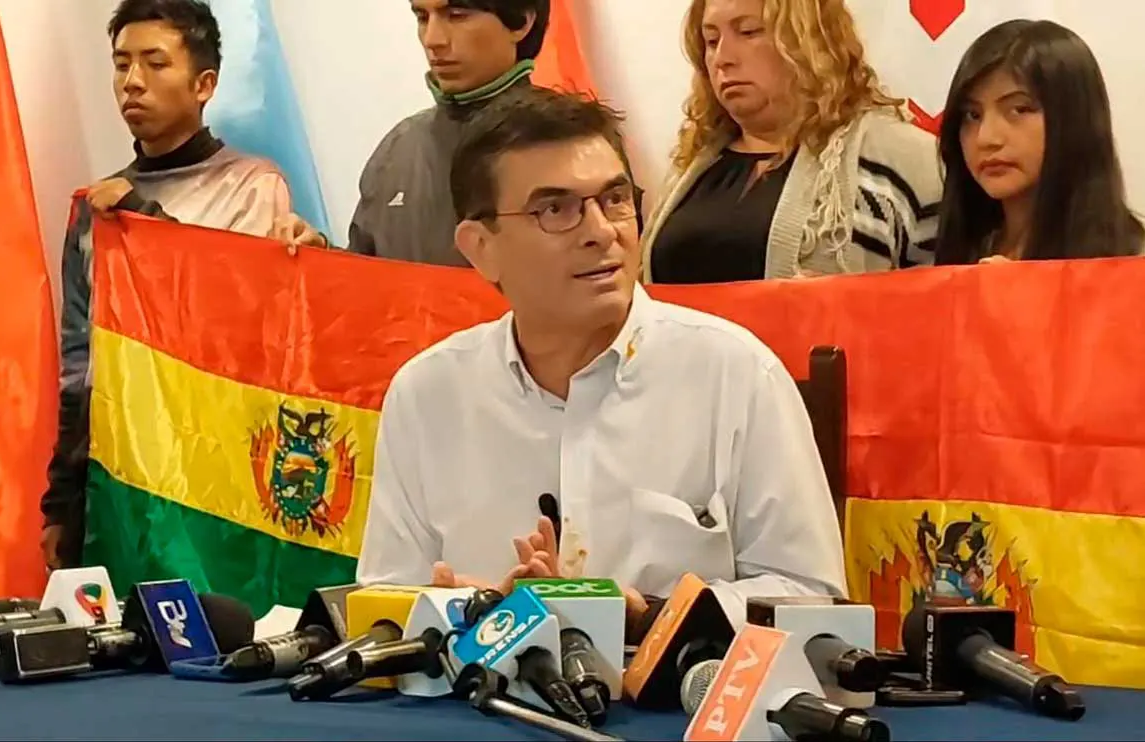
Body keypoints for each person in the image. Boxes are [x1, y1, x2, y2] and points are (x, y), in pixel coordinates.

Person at [355, 86, 847, 635]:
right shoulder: (428, 395)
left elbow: (811, 599)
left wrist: (650, 618)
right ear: (480, 248)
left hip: (676, 686)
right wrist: (471, 612)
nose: (601, 232)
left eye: (614, 199)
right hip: (482, 685)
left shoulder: (737, 375)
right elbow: (383, 603)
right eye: (555, 210)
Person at [40, 0, 293, 570]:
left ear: (204, 85)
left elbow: (239, 337)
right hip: (115, 481)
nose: (133, 81)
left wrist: (145, 218)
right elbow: (80, 364)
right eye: (121, 64)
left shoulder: (253, 187)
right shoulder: (98, 207)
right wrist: (63, 501)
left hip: (211, 489)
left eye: (155, 64)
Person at [641, 0, 942, 284]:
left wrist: (853, 305)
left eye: (748, 32)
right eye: (711, 40)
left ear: (809, 40)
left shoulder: (903, 159)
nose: (723, 58)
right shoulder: (691, 166)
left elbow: (951, 301)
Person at [269, 0, 551, 265]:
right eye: (422, 17)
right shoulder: (398, 149)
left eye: (456, 16)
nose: (433, 39)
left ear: (521, 22)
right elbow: (368, 280)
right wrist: (322, 255)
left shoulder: (565, 148)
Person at [934, 20, 1144, 264]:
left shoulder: (1133, 260)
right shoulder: (960, 250)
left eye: (1019, 109)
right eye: (972, 115)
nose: (986, 138)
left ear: (1075, 117)